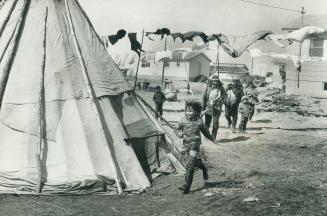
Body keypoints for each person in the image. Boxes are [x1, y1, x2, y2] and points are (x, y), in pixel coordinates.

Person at [174, 100, 215, 194]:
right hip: (186, 145)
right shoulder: (182, 120)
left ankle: (186, 186)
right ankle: (203, 167)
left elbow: (205, 131)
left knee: (190, 166)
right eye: (187, 111)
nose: (188, 113)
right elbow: (176, 129)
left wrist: (212, 139)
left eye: (190, 111)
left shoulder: (199, 121)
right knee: (191, 163)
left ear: (196, 112)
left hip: (195, 145)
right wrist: (181, 134)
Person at [201, 73, 226, 140]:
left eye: (217, 81)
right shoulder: (207, 86)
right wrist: (203, 108)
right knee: (207, 122)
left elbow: (225, 96)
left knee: (215, 122)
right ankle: (206, 135)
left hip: (217, 108)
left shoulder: (221, 87)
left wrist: (221, 101)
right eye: (214, 81)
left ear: (218, 82)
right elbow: (203, 97)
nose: (215, 83)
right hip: (208, 106)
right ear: (212, 81)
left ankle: (213, 136)